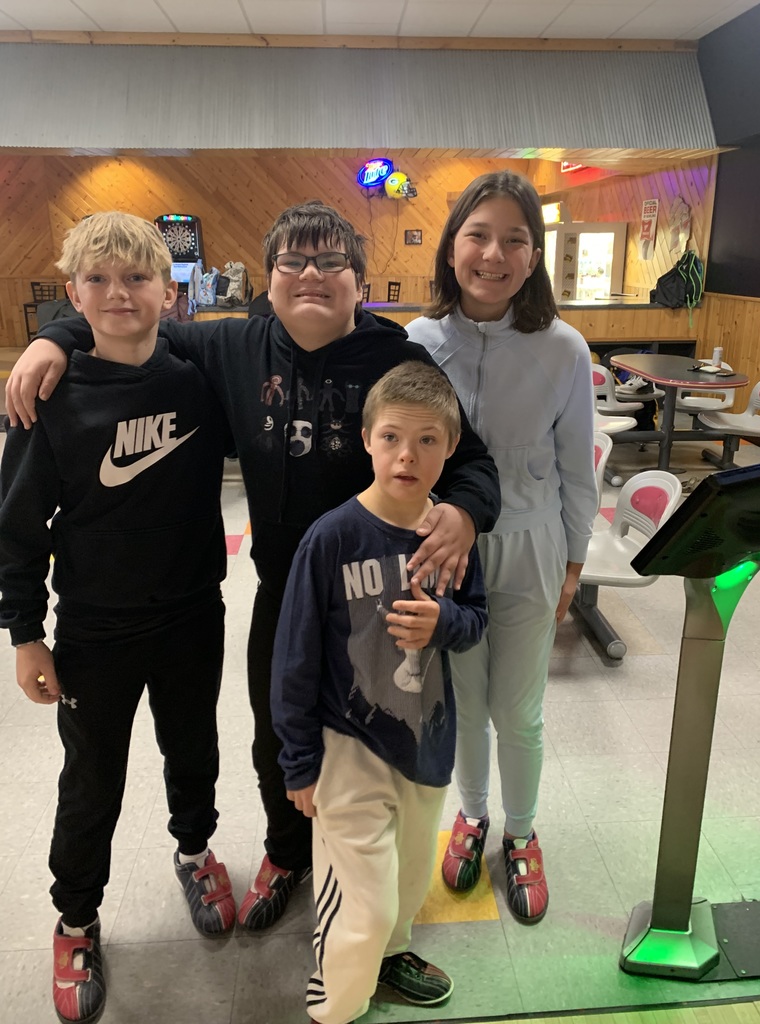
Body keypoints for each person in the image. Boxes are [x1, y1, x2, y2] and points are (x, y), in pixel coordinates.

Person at [5, 200, 501, 940]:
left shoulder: (398, 357)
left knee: (386, 734)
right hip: (285, 593)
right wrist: (55, 338)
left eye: (331, 261)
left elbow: (473, 462)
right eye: (292, 261)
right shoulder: (231, 347)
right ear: (267, 280)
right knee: (278, 740)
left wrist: (462, 512)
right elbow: (129, 318)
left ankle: (379, 890)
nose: (311, 274)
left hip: (381, 599)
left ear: (358, 280)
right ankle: (284, 853)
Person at [0, 212, 236, 1024]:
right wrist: (24, 631)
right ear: (72, 293)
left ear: (171, 292)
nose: (117, 294)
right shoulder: (51, 392)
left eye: (137, 278)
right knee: (90, 779)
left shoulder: (197, 377)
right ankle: (76, 919)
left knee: (193, 746)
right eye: (96, 281)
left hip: (191, 616)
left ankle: (196, 850)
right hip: (95, 629)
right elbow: (19, 525)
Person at [407, 172, 597, 924]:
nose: (495, 253)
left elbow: (578, 466)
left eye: (515, 239)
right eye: (479, 235)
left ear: (534, 255)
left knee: (519, 710)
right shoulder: (418, 341)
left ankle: (521, 834)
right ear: (453, 247)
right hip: (449, 553)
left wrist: (575, 562)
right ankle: (473, 814)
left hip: (532, 547)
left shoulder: (564, 348)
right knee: (461, 705)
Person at [272, 361, 487, 1022]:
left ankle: (391, 959)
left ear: (451, 447)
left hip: (426, 739)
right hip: (349, 742)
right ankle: (333, 1004)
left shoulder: (450, 536)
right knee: (361, 904)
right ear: (366, 439)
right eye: (392, 437)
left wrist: (443, 623)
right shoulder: (332, 537)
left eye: (427, 440)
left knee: (406, 880)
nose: (407, 455)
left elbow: (475, 620)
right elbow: (295, 658)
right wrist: (299, 761)